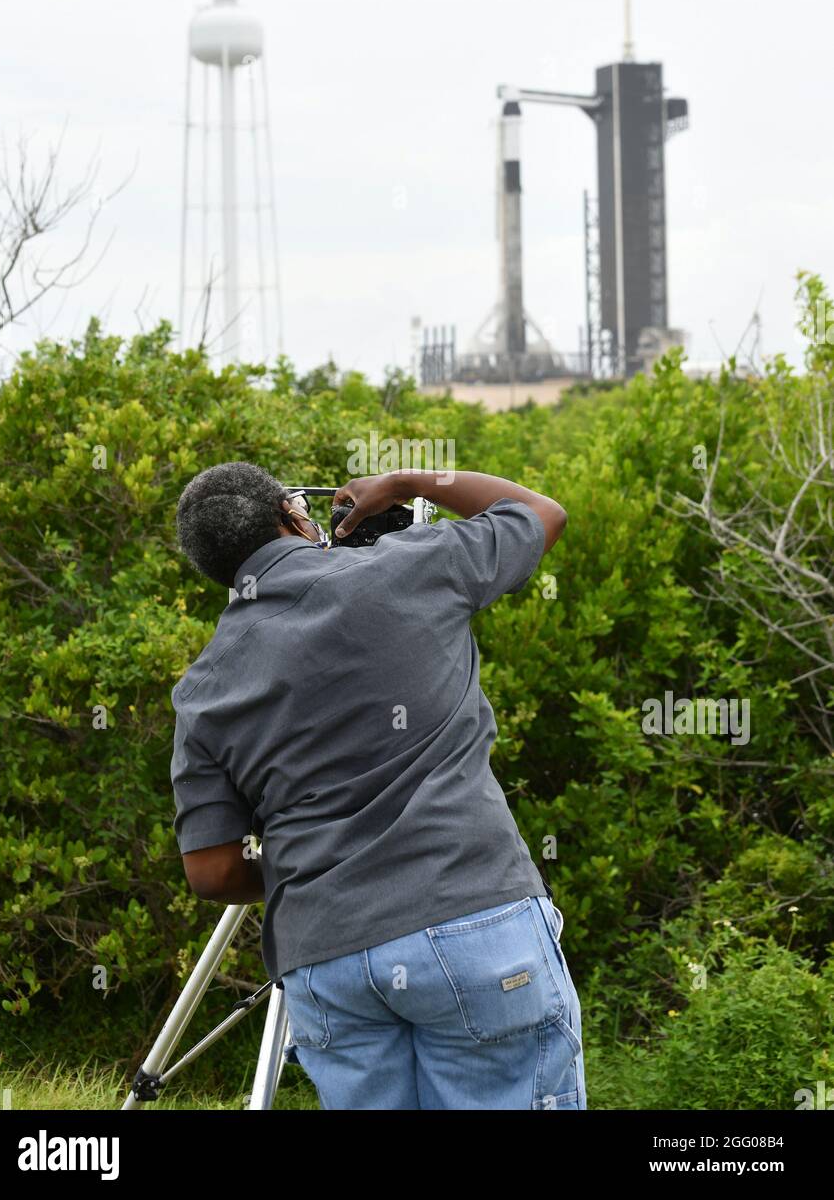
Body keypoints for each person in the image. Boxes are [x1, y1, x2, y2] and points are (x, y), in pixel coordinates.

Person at [171, 462, 585, 1110]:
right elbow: (541, 514)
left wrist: (301, 869)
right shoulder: (405, 566)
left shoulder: (201, 691)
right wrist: (410, 484)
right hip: (470, 915)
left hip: (325, 962)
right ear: (294, 515)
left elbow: (212, 873)